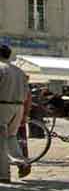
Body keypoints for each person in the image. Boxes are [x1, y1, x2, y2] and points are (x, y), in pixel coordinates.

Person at [0, 44, 31, 182]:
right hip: (18, 107)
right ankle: (21, 161)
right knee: (11, 137)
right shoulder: (19, 71)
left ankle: (4, 175)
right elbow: (27, 94)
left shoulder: (1, 68)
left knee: (1, 142)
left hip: (3, 106)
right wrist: (24, 113)